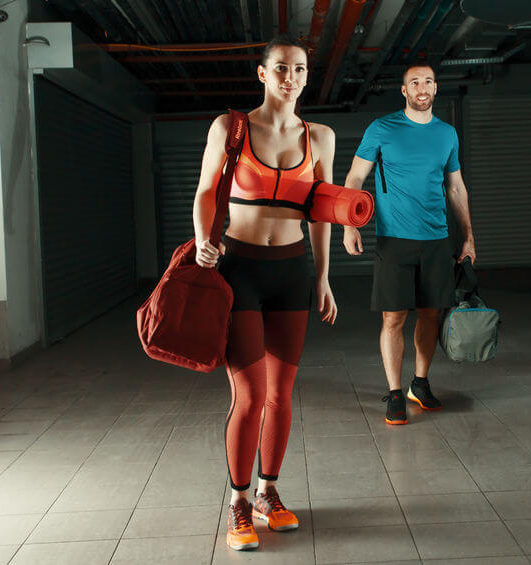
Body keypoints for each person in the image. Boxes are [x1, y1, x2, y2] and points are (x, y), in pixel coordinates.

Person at [192, 35, 337, 551]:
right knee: (250, 397)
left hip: (293, 272)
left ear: (305, 76)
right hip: (241, 270)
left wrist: (322, 277)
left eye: (298, 69)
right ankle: (236, 501)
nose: (289, 77)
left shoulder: (320, 137)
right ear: (261, 73)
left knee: (281, 396)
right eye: (280, 68)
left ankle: (267, 493)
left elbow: (322, 210)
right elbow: (208, 190)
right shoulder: (231, 128)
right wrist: (205, 240)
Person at [342, 64, 476, 425]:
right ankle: (396, 392)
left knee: (431, 313)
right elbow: (356, 176)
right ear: (403, 90)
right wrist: (348, 224)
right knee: (394, 317)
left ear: (435, 88)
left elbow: (456, 187)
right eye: (414, 82)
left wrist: (468, 237)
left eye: (428, 81)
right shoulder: (382, 129)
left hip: (436, 239)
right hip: (394, 239)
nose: (422, 87)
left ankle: (419, 383)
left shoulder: (447, 134)